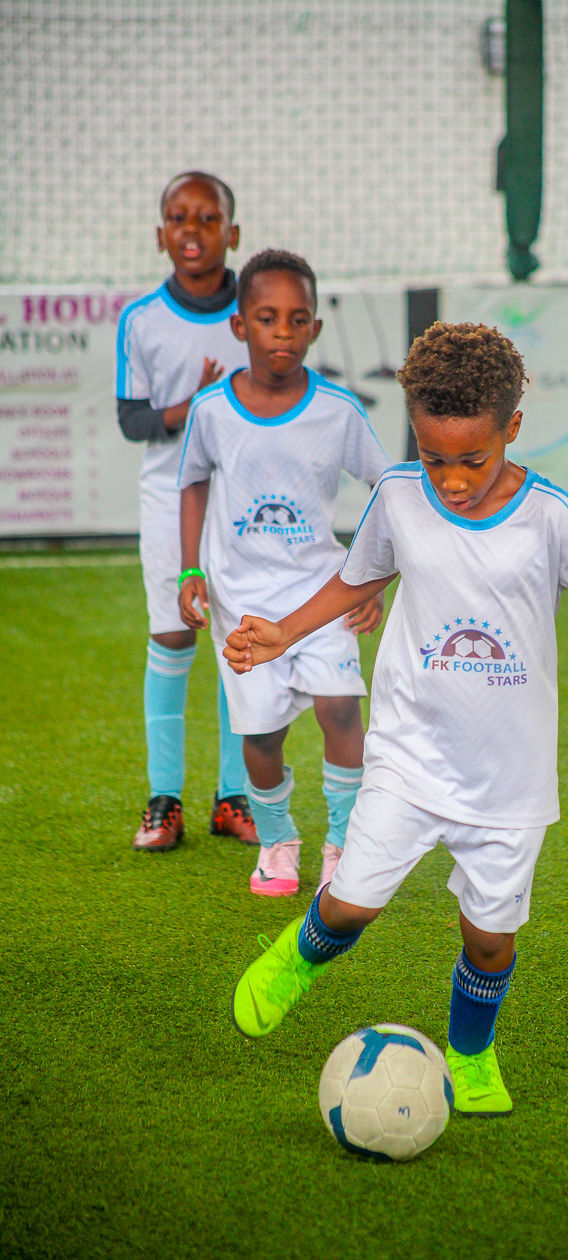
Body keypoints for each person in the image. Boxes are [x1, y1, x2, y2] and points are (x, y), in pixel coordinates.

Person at [223, 321, 568, 1116]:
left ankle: (471, 1056)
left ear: (513, 428)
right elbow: (358, 578)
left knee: (490, 939)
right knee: (351, 904)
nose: (448, 480)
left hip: (509, 781)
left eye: (471, 460)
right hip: (409, 755)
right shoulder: (398, 496)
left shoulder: (550, 516)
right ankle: (299, 958)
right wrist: (283, 633)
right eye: (432, 456)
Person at [178, 249, 390, 896]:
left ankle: (344, 844)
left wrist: (374, 581)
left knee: (341, 709)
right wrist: (189, 570)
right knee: (263, 734)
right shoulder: (211, 410)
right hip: (242, 603)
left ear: (315, 329)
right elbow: (191, 483)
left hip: (322, 594)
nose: (283, 333)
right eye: (267, 318)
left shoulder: (339, 410)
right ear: (240, 325)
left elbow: (389, 492)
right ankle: (277, 841)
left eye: (299, 320)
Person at [116, 170, 257, 852]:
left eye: (207, 218)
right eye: (178, 218)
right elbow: (132, 420)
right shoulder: (141, 320)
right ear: (160, 235)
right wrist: (192, 406)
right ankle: (163, 800)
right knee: (173, 636)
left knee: (240, 643)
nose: (192, 230)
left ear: (233, 233)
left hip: (246, 503)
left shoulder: (258, 312)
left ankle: (234, 798)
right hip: (169, 497)